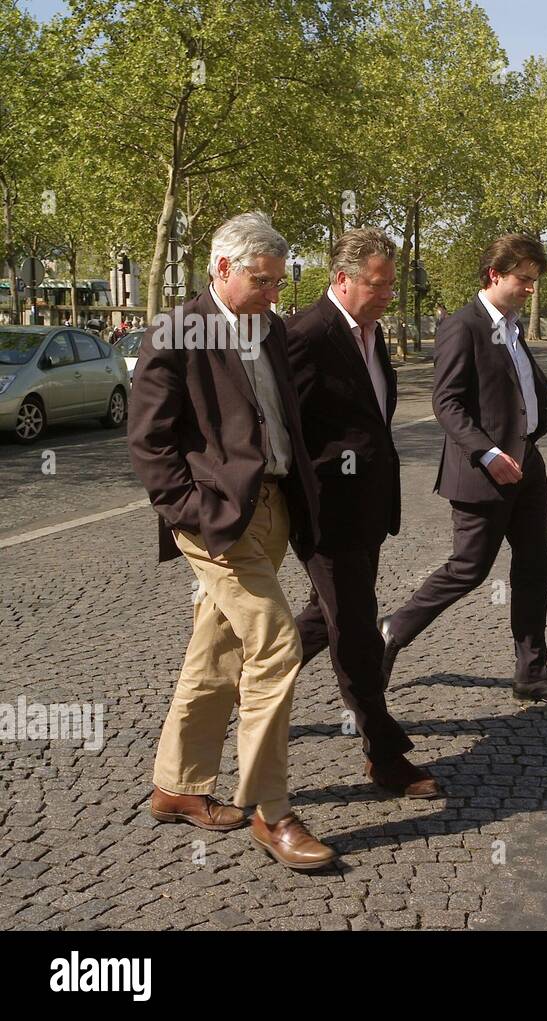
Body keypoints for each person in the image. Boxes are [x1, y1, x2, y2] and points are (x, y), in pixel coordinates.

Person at [128, 211, 336, 871]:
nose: (274, 293)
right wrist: (187, 510)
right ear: (222, 268)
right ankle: (271, 810)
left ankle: (177, 785)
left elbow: (281, 419)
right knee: (275, 643)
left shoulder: (270, 329)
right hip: (216, 518)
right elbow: (149, 438)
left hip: (273, 508)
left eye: (279, 280)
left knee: (216, 646)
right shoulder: (177, 330)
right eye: (262, 279)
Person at [380, 234, 547, 709]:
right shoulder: (463, 326)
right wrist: (488, 453)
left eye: (535, 280)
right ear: (495, 275)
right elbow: (446, 403)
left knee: (536, 567)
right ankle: (393, 628)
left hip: (527, 464)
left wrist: (525, 444)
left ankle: (532, 673)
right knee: (469, 568)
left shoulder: (512, 326)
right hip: (485, 470)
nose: (531, 289)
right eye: (524, 279)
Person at [284, 228, 438, 799]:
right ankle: (386, 754)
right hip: (328, 514)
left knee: (324, 619)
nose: (388, 295)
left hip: (367, 508)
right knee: (355, 629)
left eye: (393, 284)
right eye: (378, 284)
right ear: (342, 279)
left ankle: (241, 685)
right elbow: (282, 428)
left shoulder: (373, 335)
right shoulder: (305, 334)